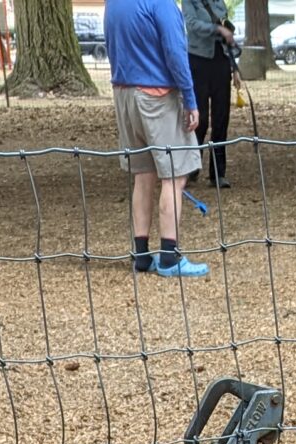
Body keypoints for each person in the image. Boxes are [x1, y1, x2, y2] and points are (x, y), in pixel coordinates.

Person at [107, 0, 211, 277]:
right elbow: (175, 52)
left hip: (124, 94)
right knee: (175, 176)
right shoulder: (161, 3)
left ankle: (141, 254)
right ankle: (169, 256)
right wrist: (190, 99)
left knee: (143, 174)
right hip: (158, 96)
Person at [182, 0, 237, 190]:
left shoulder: (218, 2)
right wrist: (217, 30)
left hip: (220, 60)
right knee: (201, 118)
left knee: (221, 118)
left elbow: (224, 25)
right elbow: (192, 25)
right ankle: (192, 166)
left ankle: (218, 173)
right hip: (198, 61)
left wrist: (234, 67)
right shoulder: (190, 2)